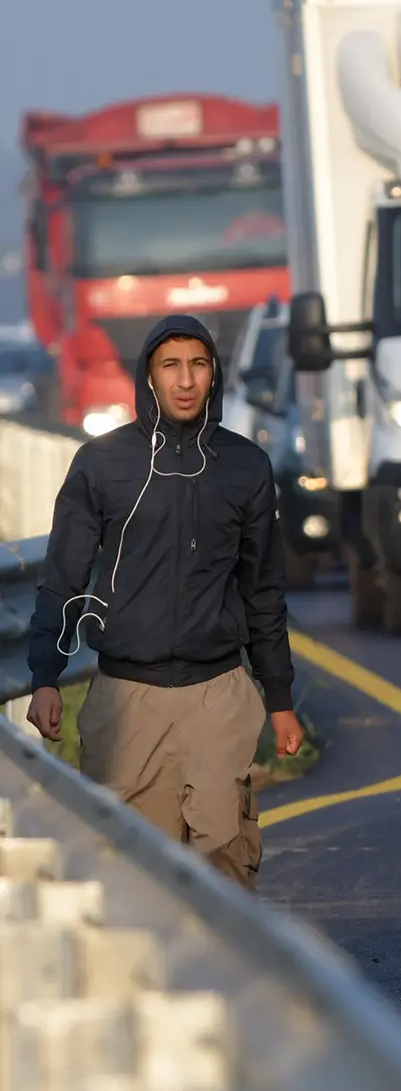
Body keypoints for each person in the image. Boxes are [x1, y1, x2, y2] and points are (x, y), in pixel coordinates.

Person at [25, 314, 303, 890]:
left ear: (213, 374)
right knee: (130, 873)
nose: (185, 379)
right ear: (148, 376)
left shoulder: (246, 466)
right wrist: (45, 676)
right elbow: (63, 578)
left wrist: (279, 699)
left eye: (198, 364)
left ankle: (229, 981)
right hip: (127, 697)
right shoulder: (102, 463)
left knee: (225, 856)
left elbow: (263, 593)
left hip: (218, 694)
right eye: (170, 365)